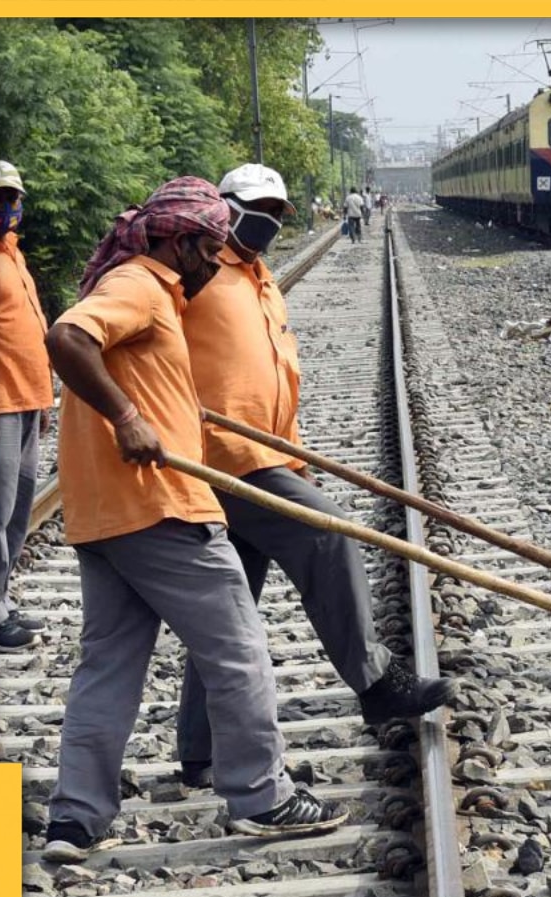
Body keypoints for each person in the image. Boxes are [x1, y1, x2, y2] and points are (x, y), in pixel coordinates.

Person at [41, 177, 346, 864]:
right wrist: (127, 419)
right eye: (208, 247)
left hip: (105, 515)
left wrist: (169, 408)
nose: (216, 260)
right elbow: (66, 337)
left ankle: (75, 819)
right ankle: (261, 797)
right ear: (177, 242)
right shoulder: (141, 285)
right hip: (163, 508)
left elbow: (133, 371)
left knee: (109, 667)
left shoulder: (150, 292)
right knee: (237, 649)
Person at [175, 163, 455, 789]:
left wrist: (290, 446)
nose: (269, 225)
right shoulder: (192, 269)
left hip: (266, 450)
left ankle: (200, 751)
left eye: (277, 215)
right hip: (220, 456)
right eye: (257, 212)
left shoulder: (256, 274)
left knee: (229, 612)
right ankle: (375, 679)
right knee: (330, 533)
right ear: (223, 208)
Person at [0, 159, 53, 652]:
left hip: (28, 399)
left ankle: (0, 600)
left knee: (17, 509)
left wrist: (45, 395)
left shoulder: (12, 255)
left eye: (13, 198)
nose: (8, 207)